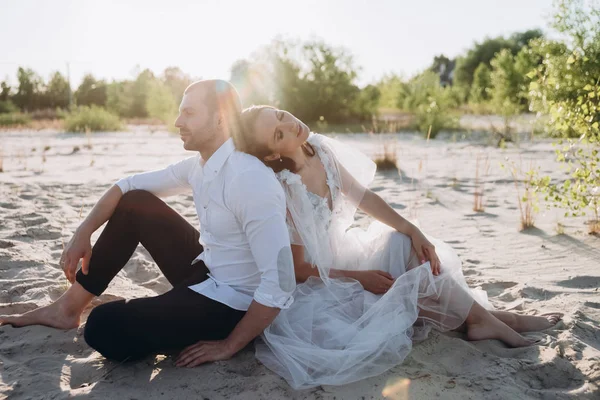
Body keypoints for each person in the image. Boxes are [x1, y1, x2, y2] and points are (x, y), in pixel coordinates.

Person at [233, 105, 562, 389]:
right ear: (273, 154)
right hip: (322, 281)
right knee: (395, 289)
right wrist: (359, 278)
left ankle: (483, 319)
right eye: (278, 134)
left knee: (402, 243)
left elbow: (363, 197)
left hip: (345, 252)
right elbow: (299, 270)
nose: (290, 124)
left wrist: (412, 227)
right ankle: (491, 320)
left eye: (281, 115)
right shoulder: (285, 188)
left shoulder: (318, 148)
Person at [0, 81, 297, 368]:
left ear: (221, 119)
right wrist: (83, 232)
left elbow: (279, 283)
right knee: (135, 203)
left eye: (189, 113)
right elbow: (126, 185)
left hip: (234, 307)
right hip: (208, 270)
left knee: (102, 326)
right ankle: (67, 308)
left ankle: (200, 325)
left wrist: (230, 344)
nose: (178, 121)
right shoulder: (200, 165)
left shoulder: (249, 179)